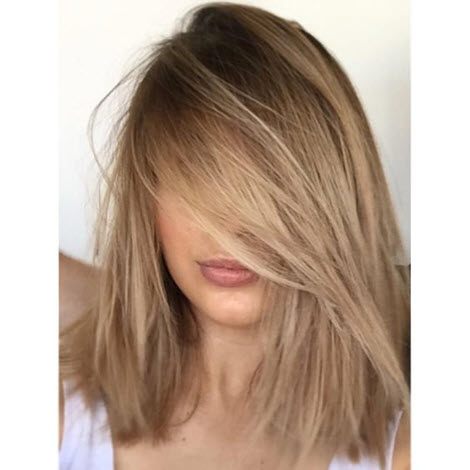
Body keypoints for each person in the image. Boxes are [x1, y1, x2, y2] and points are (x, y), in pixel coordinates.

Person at [59, 3, 410, 469]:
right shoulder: (60, 414)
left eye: (268, 186)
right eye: (196, 177)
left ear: (331, 205)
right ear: (147, 201)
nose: (229, 227)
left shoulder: (404, 445)